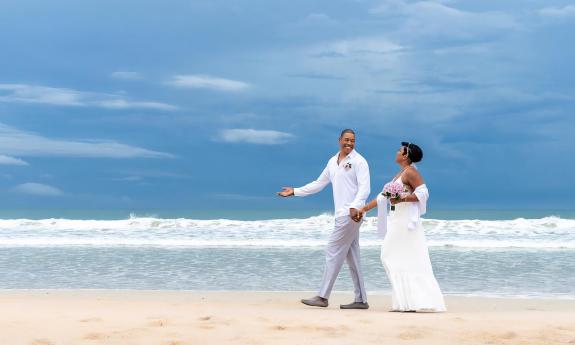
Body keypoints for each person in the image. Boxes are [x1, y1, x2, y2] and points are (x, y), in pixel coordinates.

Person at [277, 129, 370, 309]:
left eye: (353, 141)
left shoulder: (360, 162)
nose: (349, 144)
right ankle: (361, 300)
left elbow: (365, 189)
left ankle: (322, 296)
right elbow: (318, 184)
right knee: (353, 257)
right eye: (346, 140)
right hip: (342, 214)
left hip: (351, 214)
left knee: (332, 251)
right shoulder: (332, 162)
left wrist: (354, 206)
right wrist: (295, 191)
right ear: (339, 140)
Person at [360, 142, 446, 312]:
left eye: (399, 150)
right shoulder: (400, 173)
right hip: (397, 220)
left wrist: (402, 199)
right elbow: (382, 197)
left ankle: (415, 301)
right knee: (395, 257)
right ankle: (404, 302)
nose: (397, 152)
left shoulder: (411, 172)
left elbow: (423, 193)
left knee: (392, 255)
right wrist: (363, 209)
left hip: (406, 222)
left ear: (406, 155)